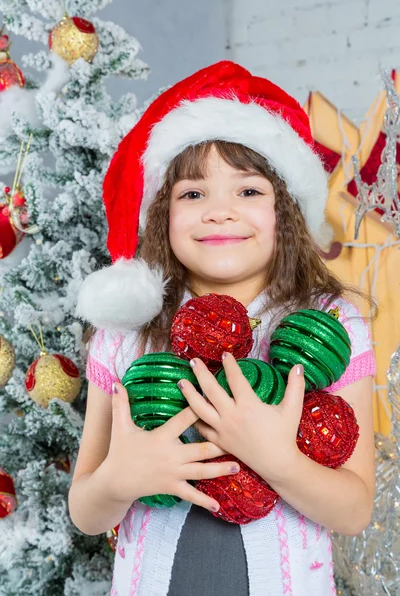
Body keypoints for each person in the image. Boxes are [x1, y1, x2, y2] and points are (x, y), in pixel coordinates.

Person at [69, 61, 376, 596]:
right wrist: (123, 477)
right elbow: (86, 511)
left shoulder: (329, 324)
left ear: (288, 210)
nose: (219, 212)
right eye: (192, 194)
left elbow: (352, 510)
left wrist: (275, 458)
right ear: (161, 213)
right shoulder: (129, 332)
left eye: (249, 191)